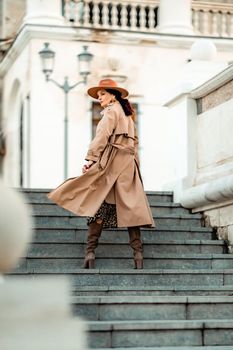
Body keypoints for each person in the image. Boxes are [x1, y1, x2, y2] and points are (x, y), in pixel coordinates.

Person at [47, 79, 155, 269]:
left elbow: (102, 136)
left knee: (99, 206)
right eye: (98, 96)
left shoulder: (111, 111)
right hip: (127, 167)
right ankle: (138, 255)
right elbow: (135, 143)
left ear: (113, 95)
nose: (100, 99)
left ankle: (90, 252)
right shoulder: (128, 116)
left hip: (111, 165)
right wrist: (134, 165)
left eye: (102, 94)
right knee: (131, 211)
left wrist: (91, 159)